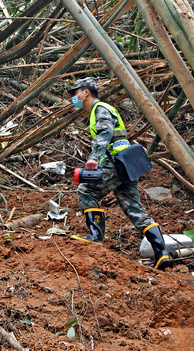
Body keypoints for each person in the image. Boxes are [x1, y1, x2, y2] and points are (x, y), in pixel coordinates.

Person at [67, 77, 170, 269]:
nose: (74, 97)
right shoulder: (101, 109)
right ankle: (161, 254)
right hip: (126, 164)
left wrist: (94, 158)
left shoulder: (100, 109)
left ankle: (95, 237)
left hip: (115, 162)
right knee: (134, 209)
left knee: (86, 190)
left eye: (75, 93)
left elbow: (104, 133)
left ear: (86, 92)